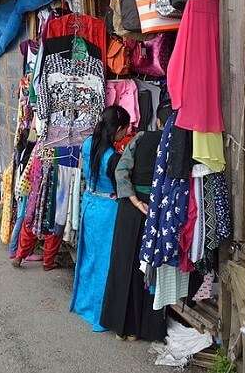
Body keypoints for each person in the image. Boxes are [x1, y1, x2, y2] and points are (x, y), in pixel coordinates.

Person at [99, 104, 172, 342]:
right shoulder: (177, 144)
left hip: (132, 210)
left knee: (125, 265)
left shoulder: (141, 138)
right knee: (151, 269)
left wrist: (133, 199)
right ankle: (147, 328)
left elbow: (122, 171)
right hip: (159, 212)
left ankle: (122, 326)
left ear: (158, 122)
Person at [70, 105, 130, 332]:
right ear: (119, 129)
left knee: (89, 258)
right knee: (106, 262)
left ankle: (84, 304)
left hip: (90, 204)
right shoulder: (112, 158)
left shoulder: (87, 145)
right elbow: (121, 188)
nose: (126, 134)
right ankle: (101, 313)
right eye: (125, 129)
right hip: (107, 211)